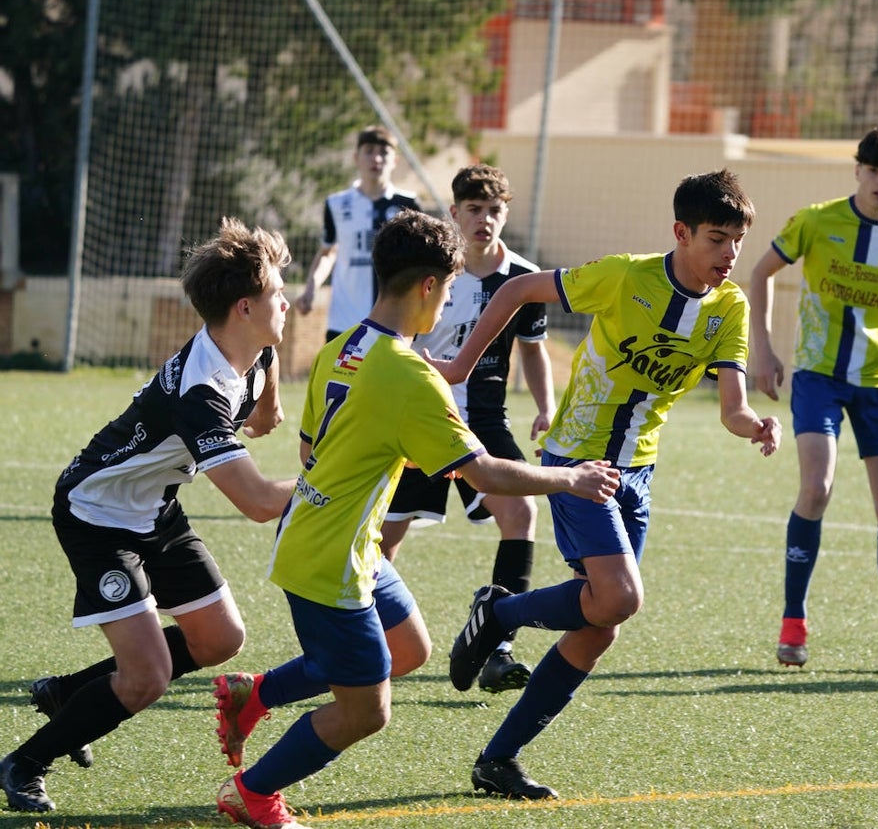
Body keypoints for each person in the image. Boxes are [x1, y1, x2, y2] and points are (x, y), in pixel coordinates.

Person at [212, 209, 619, 829]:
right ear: (429, 285)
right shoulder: (411, 375)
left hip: (341, 540)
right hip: (331, 561)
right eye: (450, 289)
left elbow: (309, 452)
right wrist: (573, 478)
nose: (449, 302)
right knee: (366, 711)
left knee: (407, 649)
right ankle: (253, 792)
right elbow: (485, 474)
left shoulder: (340, 344)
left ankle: (254, 694)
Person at [427, 169, 782, 800]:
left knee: (599, 625)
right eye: (717, 239)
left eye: (737, 241)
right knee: (617, 599)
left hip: (638, 471)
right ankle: (500, 612)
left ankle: (497, 754)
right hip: (579, 461)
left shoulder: (729, 307)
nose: (730, 254)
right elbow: (514, 291)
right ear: (681, 232)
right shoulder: (624, 276)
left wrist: (753, 424)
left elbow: (730, 405)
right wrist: (459, 364)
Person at [0, 218, 298, 813]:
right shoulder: (202, 394)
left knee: (220, 638)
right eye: (276, 295)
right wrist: (343, 484)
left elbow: (266, 418)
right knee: (146, 678)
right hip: (96, 515)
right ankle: (23, 762)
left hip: (154, 509)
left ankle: (67, 694)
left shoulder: (248, 349)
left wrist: (269, 373)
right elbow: (261, 503)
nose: (287, 302)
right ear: (243, 307)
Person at [746, 125, 878, 676]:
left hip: (877, 381)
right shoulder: (816, 220)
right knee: (816, 487)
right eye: (874, 171)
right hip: (819, 375)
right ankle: (793, 623)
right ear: (857, 172)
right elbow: (760, 273)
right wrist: (764, 349)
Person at [386, 164, 555, 694]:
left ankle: (497, 646)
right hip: (419, 417)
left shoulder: (523, 279)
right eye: (474, 210)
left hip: (483, 421)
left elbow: (534, 351)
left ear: (506, 214)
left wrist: (546, 408)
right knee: (382, 538)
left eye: (495, 210)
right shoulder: (430, 272)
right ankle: (362, 635)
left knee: (521, 511)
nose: (485, 220)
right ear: (454, 213)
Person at [294, 125, 422, 342]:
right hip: (345, 319)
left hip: (394, 320)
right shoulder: (337, 203)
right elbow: (328, 252)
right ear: (356, 157)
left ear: (395, 161)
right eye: (369, 151)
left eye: (384, 152)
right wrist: (310, 289)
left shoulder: (408, 204)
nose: (376, 158)